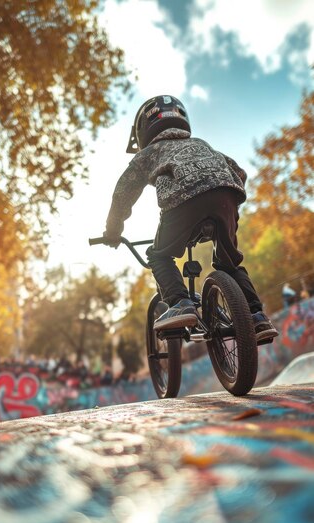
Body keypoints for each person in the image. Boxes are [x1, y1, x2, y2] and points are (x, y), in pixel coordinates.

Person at [102, 95, 278, 345]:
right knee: (230, 263)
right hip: (226, 195)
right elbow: (238, 171)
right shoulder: (201, 144)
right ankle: (257, 316)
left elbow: (124, 191)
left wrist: (113, 229)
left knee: (159, 255)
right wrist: (225, 202)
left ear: (144, 129)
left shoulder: (151, 151)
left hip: (183, 200)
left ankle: (180, 303)